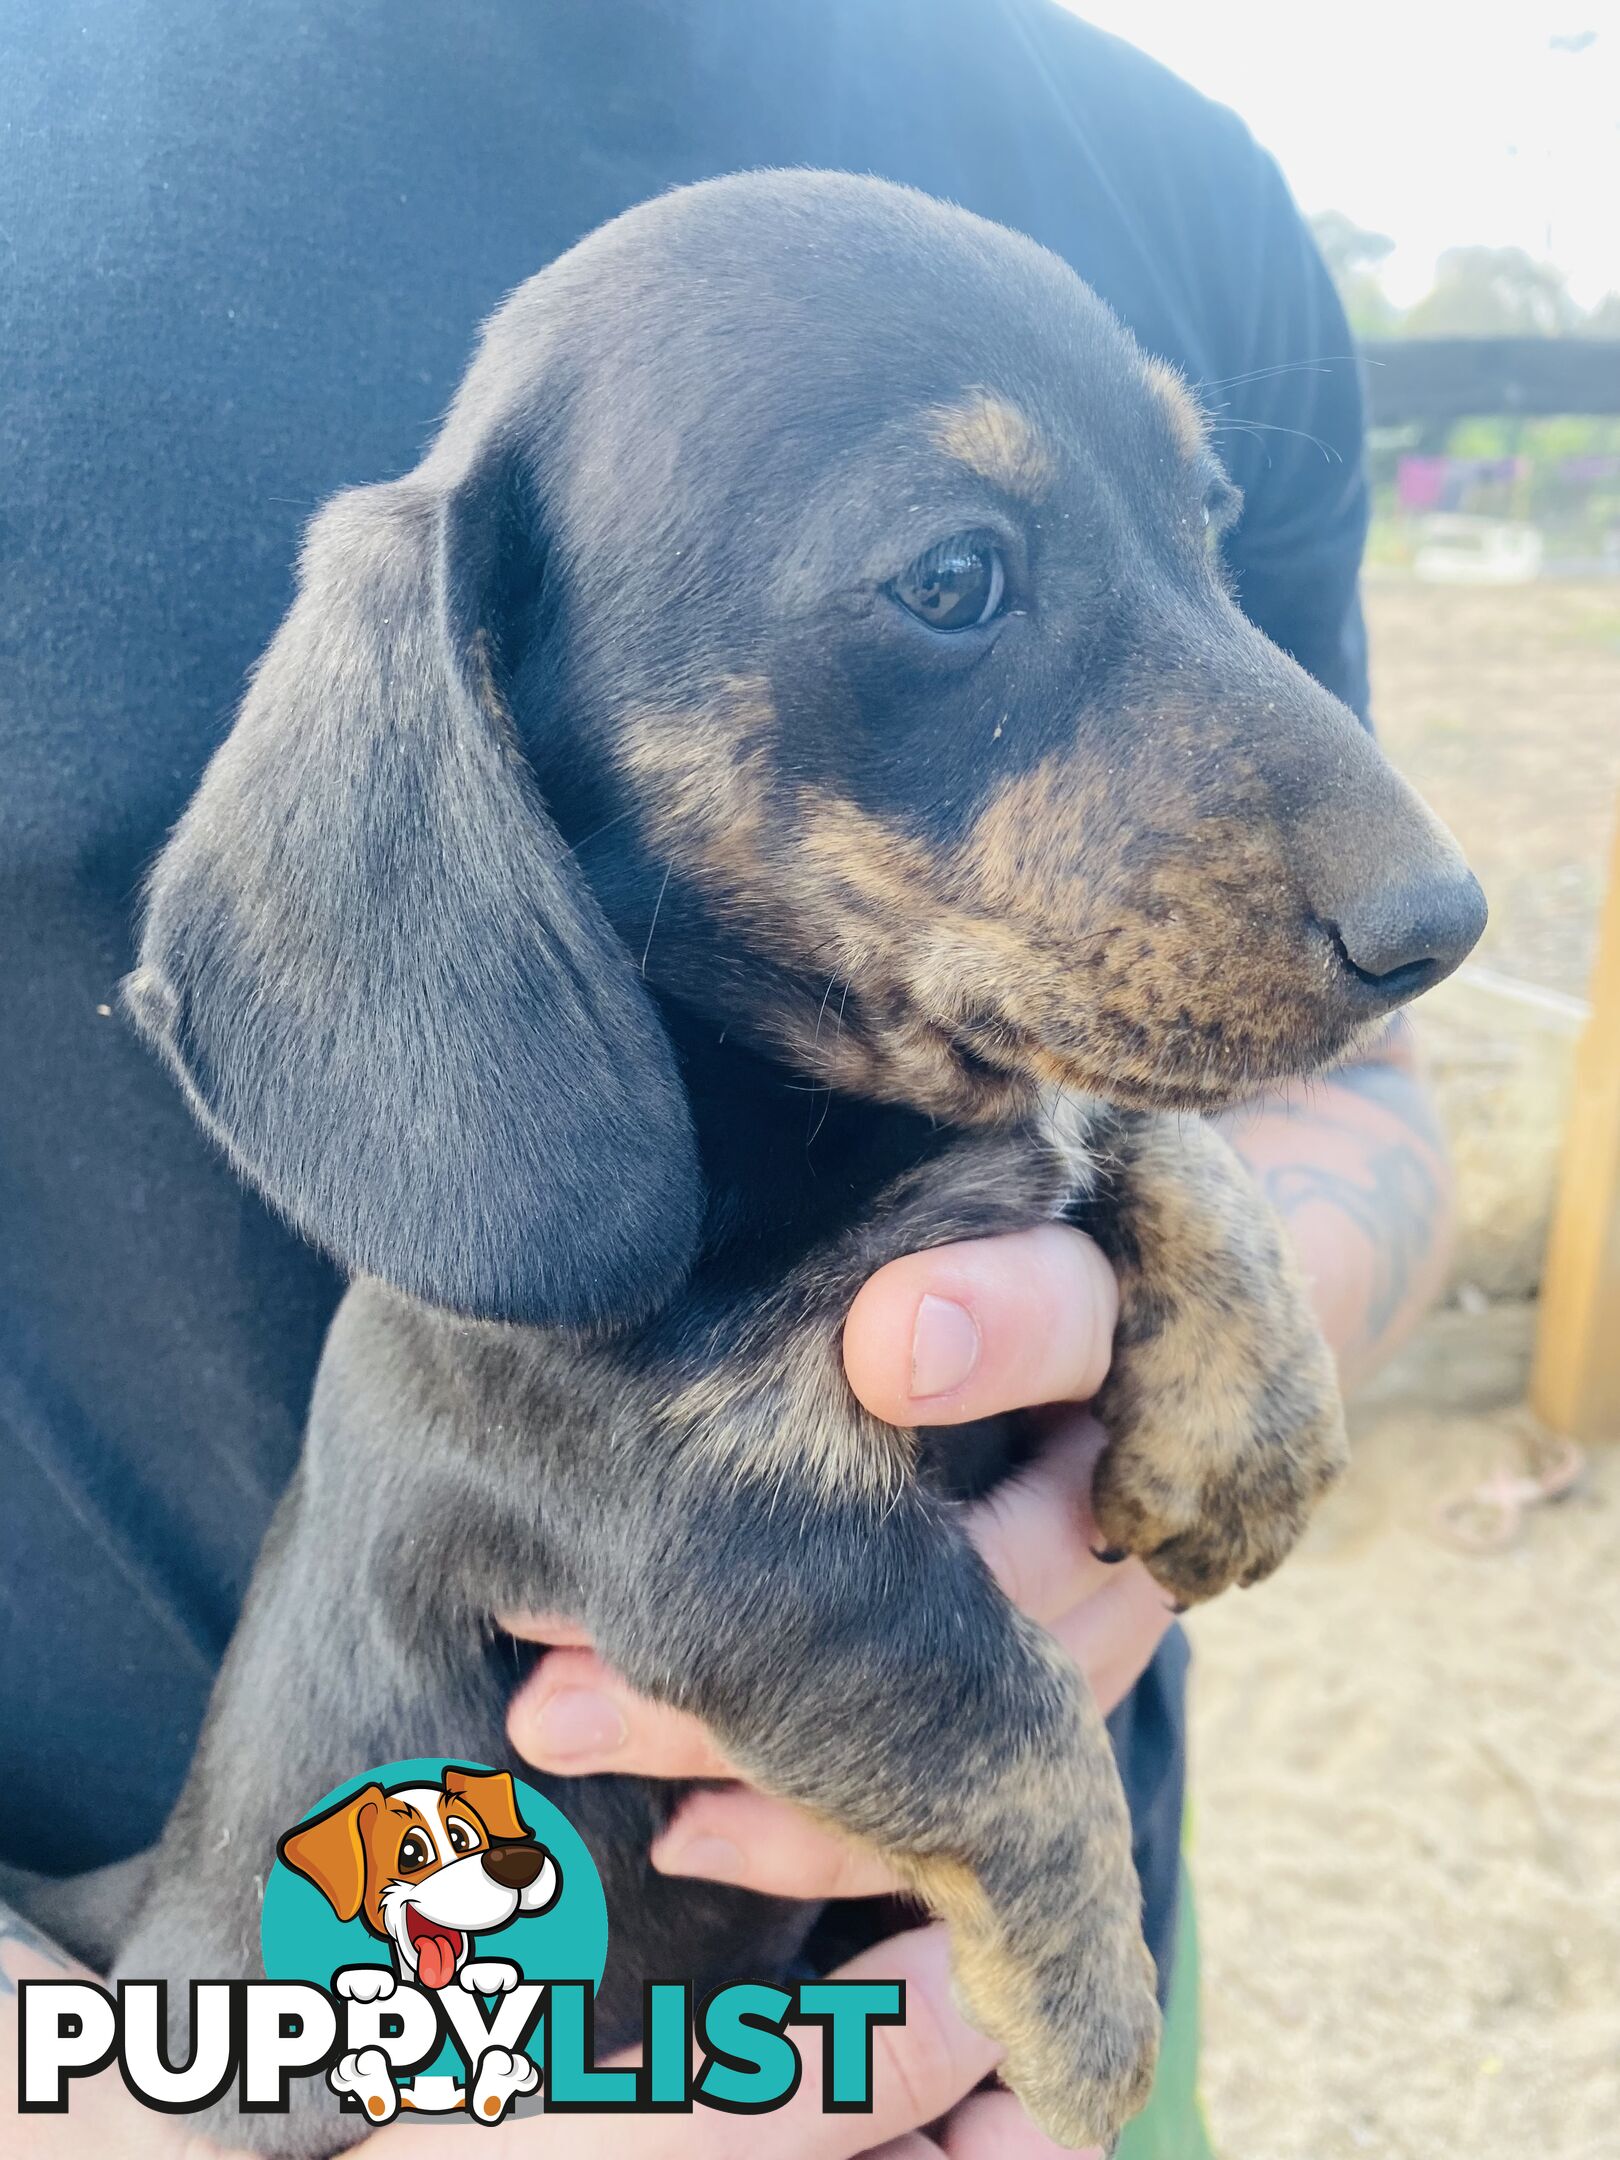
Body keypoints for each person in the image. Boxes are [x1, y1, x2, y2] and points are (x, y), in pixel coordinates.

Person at [0, 3, 1456, 2152]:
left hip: (1013, 2041)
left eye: (1188, 508)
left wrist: (1162, 1449)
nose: (1395, 864)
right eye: (951, 584)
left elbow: (1356, 1058)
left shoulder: (1172, 168)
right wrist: (110, 2107)